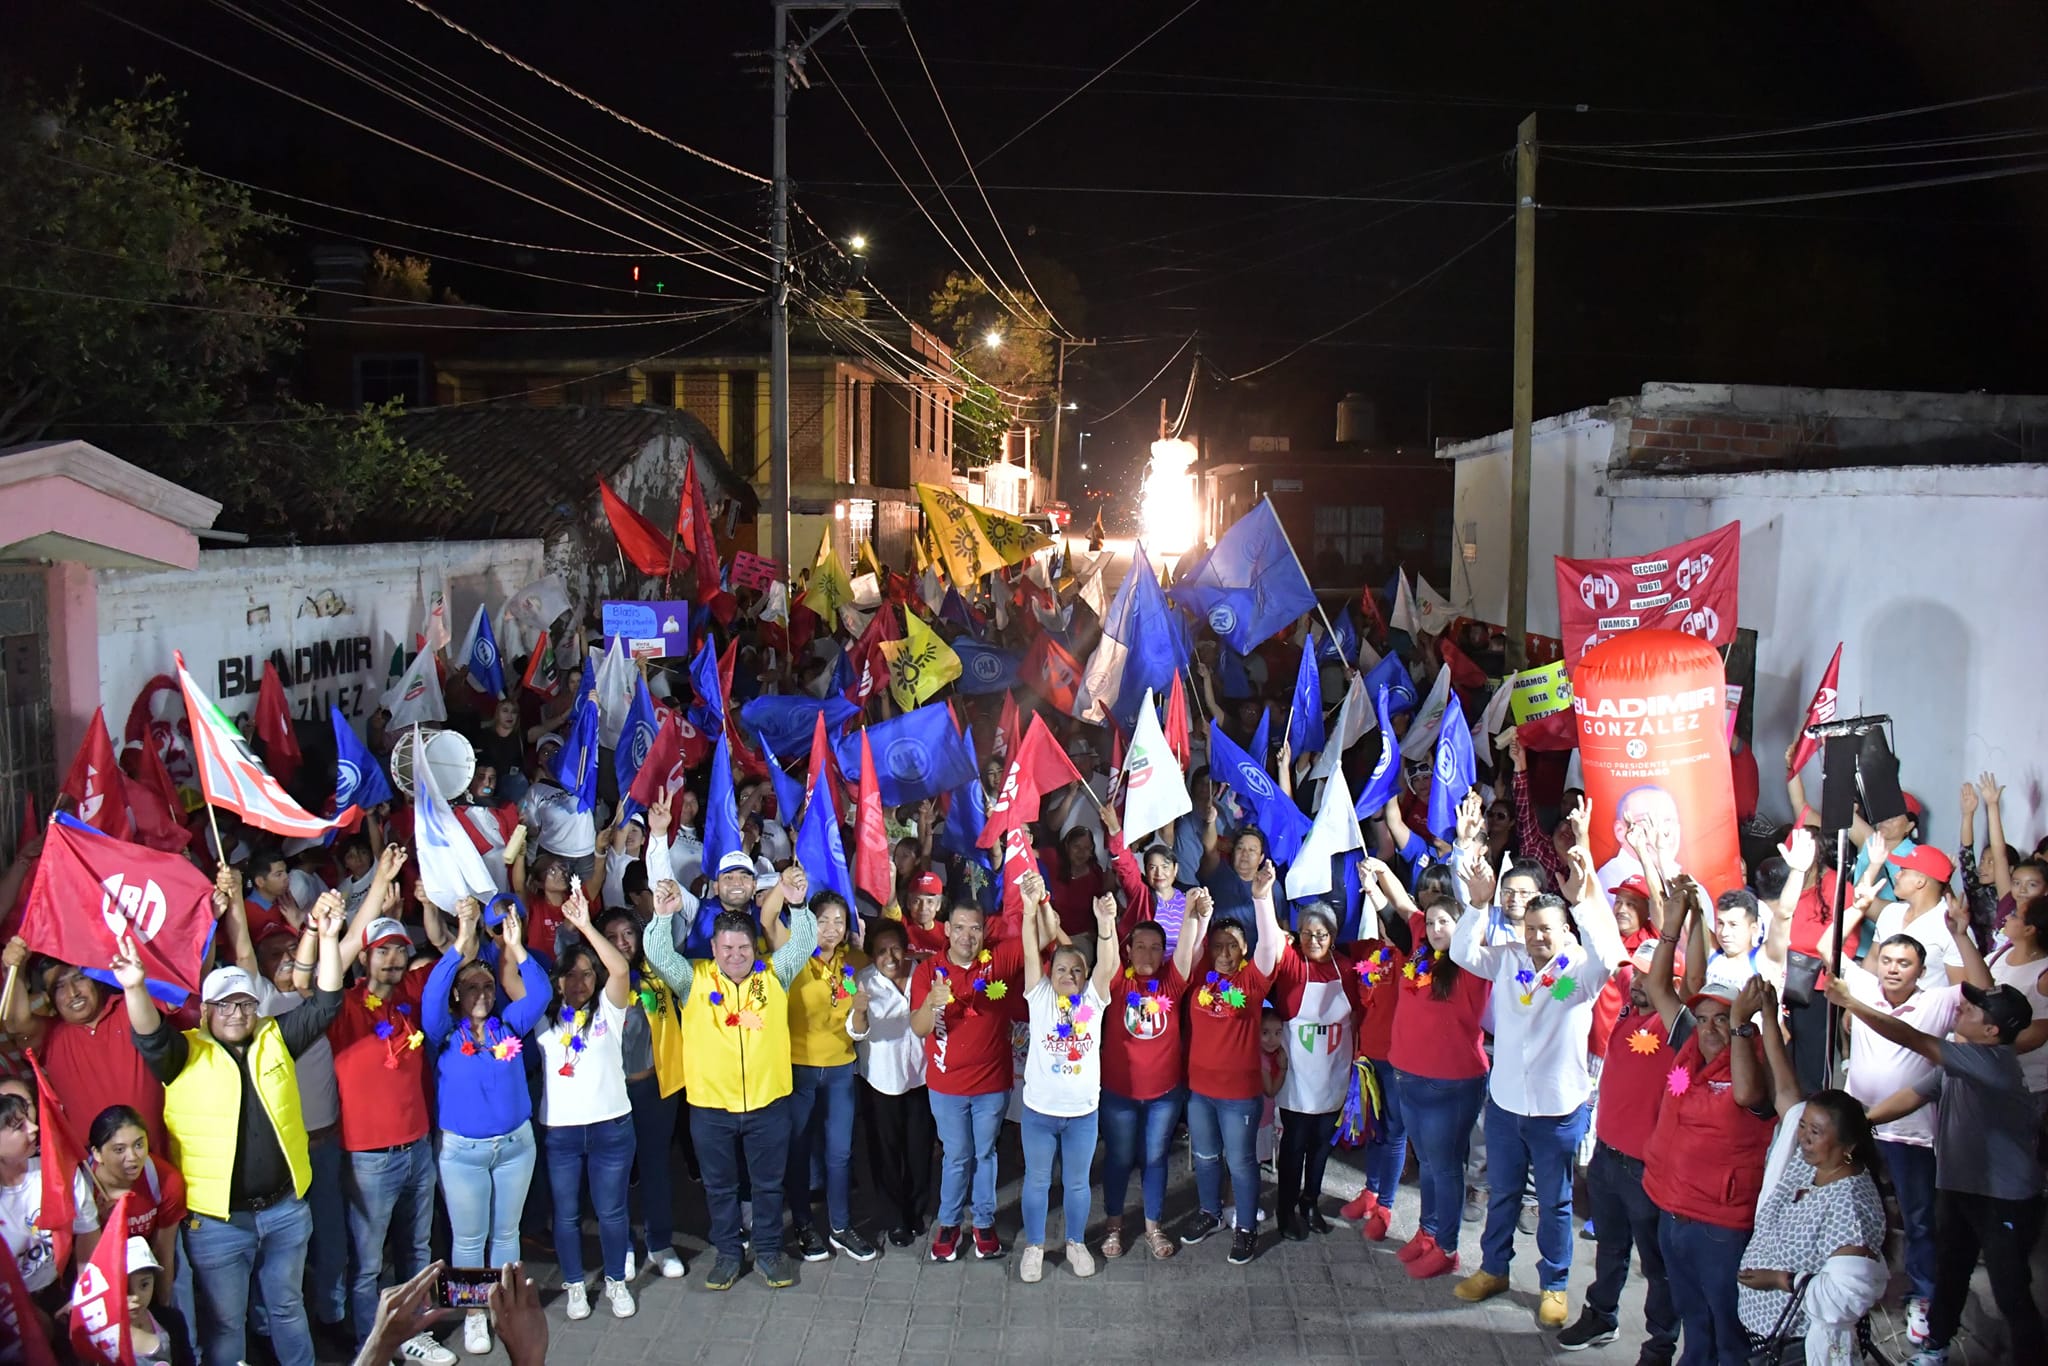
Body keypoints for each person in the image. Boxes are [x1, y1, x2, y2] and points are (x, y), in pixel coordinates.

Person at [125, 896, 345, 1366]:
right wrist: (134, 988)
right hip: (219, 1223)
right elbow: (148, 1034)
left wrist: (328, 937)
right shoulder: (182, 1053)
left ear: (256, 1006)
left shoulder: (276, 1036)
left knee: (288, 1309)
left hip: (285, 1209)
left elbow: (326, 1003)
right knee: (227, 1322)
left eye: (244, 1003)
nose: (235, 1013)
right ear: (205, 1012)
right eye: (224, 1005)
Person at [1450, 842, 1622, 1330]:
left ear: (1565, 931)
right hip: (1505, 1102)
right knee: (1502, 1192)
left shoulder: (1574, 976)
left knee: (1555, 1201)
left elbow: (1608, 958)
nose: (1537, 938)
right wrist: (1478, 904)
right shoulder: (1509, 961)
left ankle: (1553, 1285)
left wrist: (1585, 900)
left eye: (1546, 929)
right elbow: (1463, 952)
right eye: (1530, 930)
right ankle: (1493, 1269)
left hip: (1556, 1109)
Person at [1836, 976, 2047, 1365]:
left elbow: (1911, 1038)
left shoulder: (1992, 1062)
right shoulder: (1962, 1063)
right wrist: (1861, 1123)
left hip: (2005, 1200)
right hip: (1960, 1187)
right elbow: (1913, 1094)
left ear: (1991, 1030)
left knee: (2011, 1291)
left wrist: (1854, 1004)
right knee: (1950, 1272)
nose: (1960, 1007)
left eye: (1973, 1008)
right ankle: (1935, 1348)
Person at [644, 878, 819, 1292]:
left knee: (768, 1185)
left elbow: (803, 942)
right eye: (726, 949)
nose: (735, 956)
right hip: (710, 1108)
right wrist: (662, 916)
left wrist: (798, 905)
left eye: (743, 948)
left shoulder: (775, 974)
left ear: (755, 947)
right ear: (714, 949)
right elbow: (656, 954)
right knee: (720, 1187)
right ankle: (727, 1254)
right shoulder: (693, 979)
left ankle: (771, 1251)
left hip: (768, 1104)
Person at [1835, 881, 1990, 1346]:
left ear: (1922, 970)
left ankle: (1923, 1297)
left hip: (1912, 1134)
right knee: (1849, 1211)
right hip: (1855, 1126)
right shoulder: (1862, 984)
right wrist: (1858, 907)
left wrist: (1962, 936)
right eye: (1887, 961)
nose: (1893, 970)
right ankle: (1847, 1290)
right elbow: (1817, 950)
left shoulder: (1937, 1001)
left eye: (1904, 964)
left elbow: (1985, 990)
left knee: (1920, 1219)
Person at [1639, 909, 1779, 1366]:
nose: (1710, 1029)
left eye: (1722, 1019)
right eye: (1703, 1019)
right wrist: (1677, 923)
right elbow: (1661, 987)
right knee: (1692, 1315)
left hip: (1719, 1224)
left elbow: (1747, 1095)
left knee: (1727, 1324)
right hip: (1672, 1211)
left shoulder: (1759, 1063)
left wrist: (1743, 1025)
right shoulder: (1688, 1049)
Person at [421, 897, 552, 1356]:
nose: (481, 992)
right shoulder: (443, 1033)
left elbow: (540, 994)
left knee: (508, 1234)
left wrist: (515, 947)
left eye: (487, 986)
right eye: (471, 986)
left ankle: (506, 1311)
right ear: (458, 994)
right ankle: (474, 1315)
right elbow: (432, 994)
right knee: (469, 1237)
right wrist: (460, 944)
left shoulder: (508, 1026)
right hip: (464, 1154)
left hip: (516, 1146)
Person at [326, 893, 447, 1366]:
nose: (394, 959)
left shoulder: (410, 1001)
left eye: (399, 950)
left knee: (417, 1247)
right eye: (382, 950)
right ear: (363, 956)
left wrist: (435, 912)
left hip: (418, 1145)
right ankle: (371, 1346)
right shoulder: (345, 1006)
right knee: (369, 1262)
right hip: (368, 1157)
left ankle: (417, 1333)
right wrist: (375, 890)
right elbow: (327, 974)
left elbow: (454, 952)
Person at [1737, 1056, 1887, 1366]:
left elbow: (1844, 1297)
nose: (1802, 1137)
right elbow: (1788, 1095)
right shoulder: (1810, 1165)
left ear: (1848, 1146)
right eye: (1803, 1125)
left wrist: (1781, 1280)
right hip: (1765, 1331)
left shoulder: (1852, 1206)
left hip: (1801, 1344)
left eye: (1815, 1132)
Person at [531, 880, 638, 1321]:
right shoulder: (542, 1019)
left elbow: (620, 971)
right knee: (567, 1216)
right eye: (570, 975)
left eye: (586, 975)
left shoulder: (609, 1013)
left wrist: (584, 927)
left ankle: (615, 1281)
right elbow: (511, 979)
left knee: (613, 1213)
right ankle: (575, 1285)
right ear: (557, 983)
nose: (579, 983)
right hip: (562, 1134)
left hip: (612, 1127)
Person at [1178, 860, 1284, 1265]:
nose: (1224, 953)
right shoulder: (1203, 975)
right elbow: (1194, 948)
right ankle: (1209, 1213)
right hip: (1201, 1092)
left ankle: (1246, 1227)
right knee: (1205, 1157)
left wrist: (1262, 899)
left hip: (1240, 1095)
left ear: (1244, 952)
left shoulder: (1251, 983)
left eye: (1232, 947)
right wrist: (1201, 920)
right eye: (1219, 946)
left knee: (1240, 1162)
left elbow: (1271, 947)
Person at [910, 900, 1026, 1264]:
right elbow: (918, 1028)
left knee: (985, 1153)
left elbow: (1038, 935)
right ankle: (948, 1223)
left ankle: (984, 1222)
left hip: (993, 1083)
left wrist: (1037, 899)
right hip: (946, 1087)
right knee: (957, 1155)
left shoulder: (998, 963)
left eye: (974, 928)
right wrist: (931, 1002)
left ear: (983, 931)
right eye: (959, 927)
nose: (966, 935)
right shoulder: (928, 971)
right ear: (946, 930)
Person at [1014, 884, 1119, 1283]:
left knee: (1077, 1183)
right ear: (1050, 974)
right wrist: (1028, 912)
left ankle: (1075, 1242)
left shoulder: (1094, 1001)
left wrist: (1105, 924)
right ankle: (1035, 1247)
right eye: (1061, 969)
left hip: (1081, 1115)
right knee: (1038, 1181)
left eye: (1077, 970)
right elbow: (1028, 952)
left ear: (1086, 975)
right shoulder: (1038, 996)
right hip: (1039, 1112)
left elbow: (1107, 965)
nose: (1069, 975)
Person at [767, 889, 878, 1263]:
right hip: (798, 1070)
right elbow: (767, 920)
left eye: (839, 922)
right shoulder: (794, 956)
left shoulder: (854, 962)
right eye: (823, 920)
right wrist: (787, 890)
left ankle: (840, 1227)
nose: (831, 929)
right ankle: (802, 1224)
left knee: (840, 1153)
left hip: (841, 1071)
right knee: (798, 1151)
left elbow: (891, 957)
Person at [1097, 893, 1208, 1261]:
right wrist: (1108, 920)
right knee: (1118, 1158)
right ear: (1128, 951)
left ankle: (1153, 1226)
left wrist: (1192, 911)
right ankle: (1113, 1225)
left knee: (1155, 1157)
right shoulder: (1117, 981)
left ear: (1164, 952)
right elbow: (1107, 949)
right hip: (1118, 1093)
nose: (1146, 954)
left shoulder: (1172, 984)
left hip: (1164, 1094)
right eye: (1139, 947)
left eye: (1154, 948)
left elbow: (1188, 942)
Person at [1386, 898, 1488, 1280]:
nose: (1435, 929)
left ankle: (1448, 1247)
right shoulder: (1420, 956)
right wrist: (1378, 870)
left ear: (1462, 926)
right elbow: (1399, 902)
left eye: (1446, 921)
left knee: (1445, 1168)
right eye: (1430, 922)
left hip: (1451, 1084)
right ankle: (1427, 1232)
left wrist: (1478, 901)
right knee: (1427, 1163)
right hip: (1409, 1078)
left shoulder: (1473, 963)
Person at [0, 934, 170, 1159]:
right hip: (94, 1178)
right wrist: (15, 969)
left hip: (158, 1163)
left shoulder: (129, 1006)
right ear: (51, 1000)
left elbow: (177, 990)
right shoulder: (51, 1035)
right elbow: (15, 1023)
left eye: (79, 978)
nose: (73, 993)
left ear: (96, 979)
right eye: (59, 986)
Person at [590, 904, 688, 1281]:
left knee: (655, 1169)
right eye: (612, 936)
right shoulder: (595, 982)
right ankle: (622, 1246)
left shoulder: (657, 974)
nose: (621, 942)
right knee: (613, 1175)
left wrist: (662, 914)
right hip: (611, 1094)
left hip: (655, 1089)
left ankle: (660, 1243)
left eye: (627, 934)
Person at [1268, 902, 1367, 1240]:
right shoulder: (1292, 964)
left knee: (1322, 1145)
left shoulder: (1346, 967)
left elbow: (1357, 1013)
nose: (1312, 940)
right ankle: (1285, 1209)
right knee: (1294, 1146)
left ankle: (1310, 1201)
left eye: (1320, 934)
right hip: (1297, 1076)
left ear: (1334, 936)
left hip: (1333, 1073)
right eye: (1306, 933)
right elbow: (1270, 940)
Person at [1336, 859, 1420, 1244]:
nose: (1389, 925)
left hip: (1400, 1060)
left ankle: (1386, 1204)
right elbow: (1332, 945)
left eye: (1394, 920)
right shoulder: (1369, 951)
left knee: (1395, 1131)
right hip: (1367, 1058)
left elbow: (1400, 910)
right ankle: (1369, 1191)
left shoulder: (1412, 957)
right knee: (1374, 1128)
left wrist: (1382, 883)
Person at [846, 920, 933, 1246]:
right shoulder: (860, 981)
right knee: (885, 1153)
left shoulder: (924, 974)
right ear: (872, 956)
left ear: (906, 946)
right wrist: (859, 1011)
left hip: (920, 1079)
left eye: (895, 947)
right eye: (881, 951)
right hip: (881, 1083)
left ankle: (916, 1211)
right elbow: (855, 1031)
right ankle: (895, 1219)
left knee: (918, 1150)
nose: (890, 956)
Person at [0, 1085, 98, 1310]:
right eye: (19, 1126)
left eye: (28, 1118)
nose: (34, 1128)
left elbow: (88, 1232)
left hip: (60, 1289)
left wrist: (83, 1296)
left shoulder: (58, 1173)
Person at [85, 1105, 182, 1319]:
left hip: (146, 1272)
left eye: (139, 1145)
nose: (133, 1157)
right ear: (97, 1153)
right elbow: (82, 1260)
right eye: (119, 1149)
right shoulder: (81, 1187)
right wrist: (98, 1221)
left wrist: (163, 1310)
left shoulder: (165, 1180)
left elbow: (163, 1252)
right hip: (99, 1276)